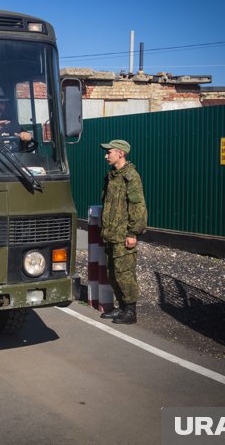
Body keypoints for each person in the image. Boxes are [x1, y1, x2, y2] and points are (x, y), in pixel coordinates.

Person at [98, 139, 147, 325]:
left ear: (120, 153)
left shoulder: (131, 176)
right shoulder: (112, 176)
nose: (106, 155)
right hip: (111, 234)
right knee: (113, 272)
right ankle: (121, 306)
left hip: (123, 235)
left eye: (109, 152)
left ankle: (131, 311)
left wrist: (133, 233)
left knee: (125, 273)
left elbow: (138, 207)